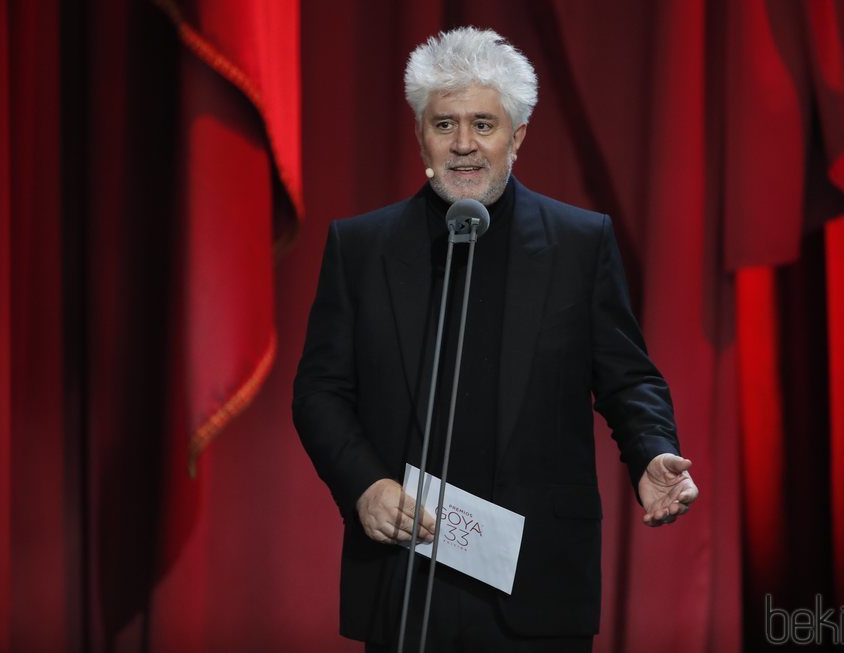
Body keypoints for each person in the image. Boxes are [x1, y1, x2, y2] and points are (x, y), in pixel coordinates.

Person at [293, 27, 698, 653]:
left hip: (536, 584)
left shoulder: (579, 243)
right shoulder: (362, 247)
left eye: (483, 124)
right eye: (444, 123)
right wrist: (364, 484)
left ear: (518, 137)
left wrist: (651, 452)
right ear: (420, 134)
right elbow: (319, 390)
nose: (463, 145)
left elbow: (627, 377)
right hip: (406, 575)